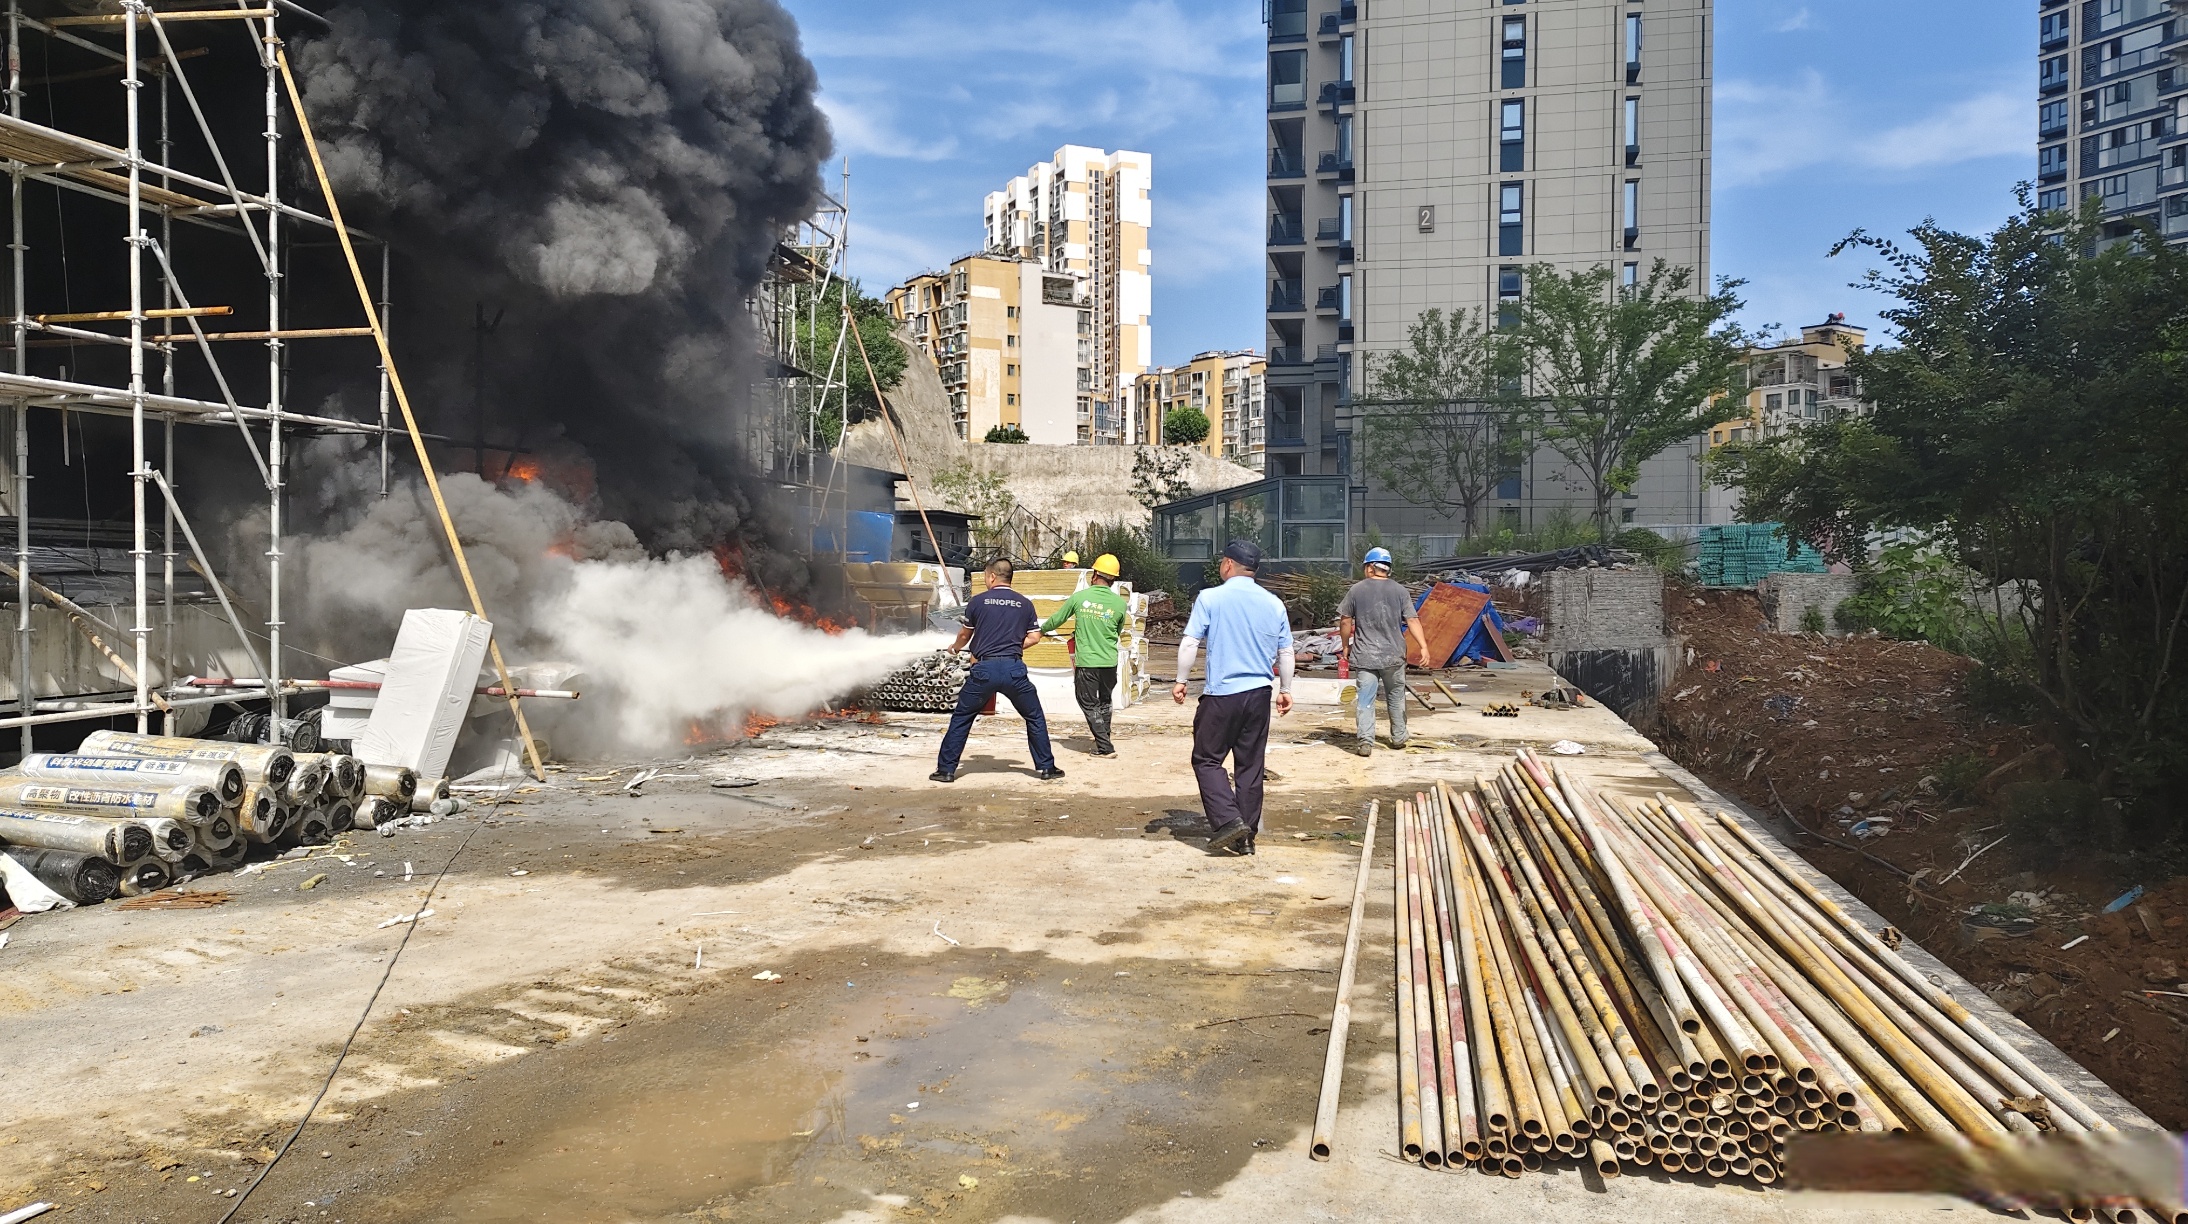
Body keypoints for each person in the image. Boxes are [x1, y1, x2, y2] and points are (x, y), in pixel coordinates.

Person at [1172, 539, 1294, 855]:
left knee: (1207, 758)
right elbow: (1286, 651)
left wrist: (1181, 681)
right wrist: (1285, 690)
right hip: (1259, 696)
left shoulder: (1211, 597)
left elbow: (1189, 643)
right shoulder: (1274, 603)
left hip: (1223, 695)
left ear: (1228, 564)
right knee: (1250, 766)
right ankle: (1247, 838)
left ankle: (1228, 821)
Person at [932, 559, 1065, 783]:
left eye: (985, 576)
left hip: (984, 670)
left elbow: (965, 635)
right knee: (1034, 717)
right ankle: (1046, 768)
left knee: (962, 718)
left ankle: (946, 771)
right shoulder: (1025, 604)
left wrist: (954, 648)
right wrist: (1010, 645)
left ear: (992, 576)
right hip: (1014, 670)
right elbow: (1034, 637)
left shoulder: (978, 602)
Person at [1338, 546, 1431, 759]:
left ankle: (1365, 742)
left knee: (1365, 699)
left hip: (1365, 656)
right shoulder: (1400, 591)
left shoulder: (1357, 590)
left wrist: (1345, 645)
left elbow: (1345, 620)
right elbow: (1412, 620)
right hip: (1394, 656)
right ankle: (1398, 737)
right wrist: (1423, 646)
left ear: (1371, 567)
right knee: (1396, 696)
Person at [1040, 553, 1130, 756]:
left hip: (1087, 662)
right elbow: (1116, 631)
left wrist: (1040, 631)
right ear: (1113, 578)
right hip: (1109, 661)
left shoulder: (1080, 598)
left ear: (1096, 573)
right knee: (1105, 700)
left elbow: (1056, 620)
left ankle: (1105, 747)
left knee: (1087, 701)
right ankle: (1103, 737)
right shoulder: (1119, 604)